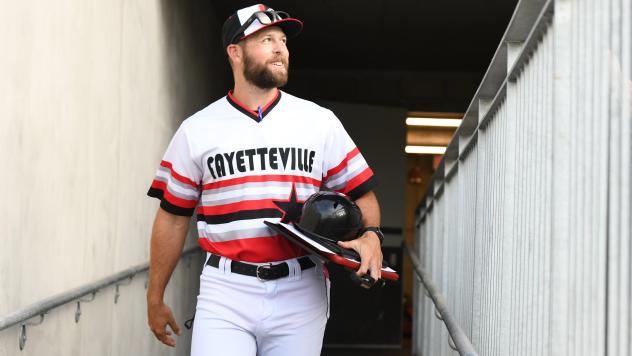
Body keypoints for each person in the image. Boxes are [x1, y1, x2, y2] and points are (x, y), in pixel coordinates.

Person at [146, 4, 384, 355]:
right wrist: (155, 295)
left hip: (301, 287)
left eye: (284, 41)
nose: (280, 49)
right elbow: (173, 215)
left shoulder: (319, 121)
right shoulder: (196, 129)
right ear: (235, 52)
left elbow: (362, 195)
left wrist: (372, 236)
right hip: (225, 289)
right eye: (266, 39)